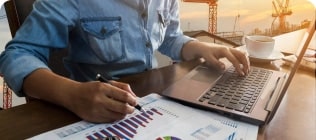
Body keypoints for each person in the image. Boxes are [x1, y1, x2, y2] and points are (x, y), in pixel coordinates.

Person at [0, 0, 249, 123]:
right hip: (93, 114)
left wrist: (201, 47)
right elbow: (17, 55)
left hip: (151, 105)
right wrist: (70, 93)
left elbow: (170, 38)